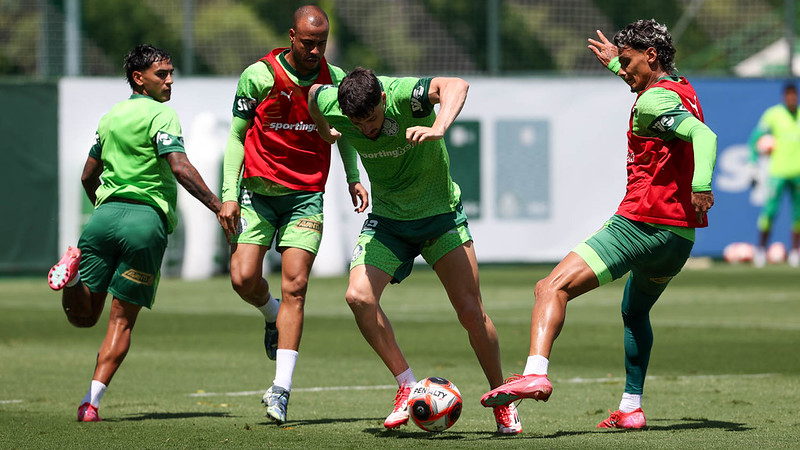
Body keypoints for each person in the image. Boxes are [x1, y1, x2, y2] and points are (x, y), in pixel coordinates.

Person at [480, 19, 717, 430]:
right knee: (634, 312)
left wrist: (701, 185)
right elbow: (669, 105)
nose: (623, 71)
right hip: (678, 238)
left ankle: (535, 370)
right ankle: (631, 407)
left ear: (652, 56)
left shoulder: (651, 103)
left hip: (642, 224)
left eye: (628, 63)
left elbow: (704, 136)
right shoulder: (684, 89)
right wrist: (617, 65)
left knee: (550, 288)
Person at [307, 67, 523, 435]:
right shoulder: (339, 106)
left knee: (472, 313)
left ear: (384, 101)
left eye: (373, 119)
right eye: (358, 124)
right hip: (390, 222)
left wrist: (439, 126)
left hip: (440, 218)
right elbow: (313, 94)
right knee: (358, 297)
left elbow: (457, 85)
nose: (368, 130)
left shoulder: (406, 95)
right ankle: (407, 384)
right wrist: (324, 129)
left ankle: (501, 399)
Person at [46, 44, 223, 422]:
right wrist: (217, 204)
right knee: (120, 321)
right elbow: (179, 167)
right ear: (138, 78)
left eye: (172, 72)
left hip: (102, 219)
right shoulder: (162, 115)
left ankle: (72, 275)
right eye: (162, 74)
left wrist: (106, 210)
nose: (170, 80)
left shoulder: (110, 117)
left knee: (83, 317)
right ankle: (90, 403)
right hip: (144, 223)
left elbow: (87, 176)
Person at [216, 5, 362, 424]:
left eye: (322, 43)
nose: (316, 51)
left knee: (296, 285)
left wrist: (353, 176)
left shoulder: (333, 80)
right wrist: (230, 195)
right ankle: (270, 314)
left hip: (305, 197)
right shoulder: (259, 76)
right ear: (292, 37)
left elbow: (344, 133)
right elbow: (235, 137)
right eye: (309, 42)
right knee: (243, 278)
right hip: (258, 196)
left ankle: (280, 390)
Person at [747, 83, 800, 268]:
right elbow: (755, 138)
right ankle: (761, 250)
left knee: (798, 214)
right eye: (789, 95)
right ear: (784, 96)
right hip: (777, 172)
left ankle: (795, 252)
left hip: (798, 173)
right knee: (769, 211)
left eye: (794, 95)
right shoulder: (773, 114)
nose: (792, 99)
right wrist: (753, 164)